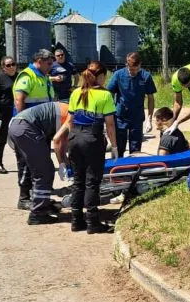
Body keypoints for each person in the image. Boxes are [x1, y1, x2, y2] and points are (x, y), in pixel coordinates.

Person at [53, 61, 118, 234]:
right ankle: (93, 222)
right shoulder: (105, 95)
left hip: (74, 139)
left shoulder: (76, 93)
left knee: (78, 181)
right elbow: (110, 125)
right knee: (92, 182)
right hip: (92, 140)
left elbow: (70, 121)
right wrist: (115, 147)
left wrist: (59, 138)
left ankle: (76, 220)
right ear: (101, 76)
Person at [9, 102, 69, 225]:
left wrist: (65, 162)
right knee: (44, 171)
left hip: (20, 126)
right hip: (25, 128)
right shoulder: (74, 116)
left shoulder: (68, 109)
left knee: (41, 169)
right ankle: (38, 213)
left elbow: (63, 144)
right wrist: (63, 163)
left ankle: (42, 204)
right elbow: (58, 140)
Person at [13, 49, 55, 209]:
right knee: (26, 162)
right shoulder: (27, 76)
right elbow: (19, 99)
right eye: (49, 63)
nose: (51, 66)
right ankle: (24, 198)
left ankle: (37, 196)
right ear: (39, 60)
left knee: (39, 163)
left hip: (42, 128)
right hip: (28, 128)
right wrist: (25, 122)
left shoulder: (43, 77)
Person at [107, 51, 156, 157]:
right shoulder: (118, 75)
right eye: (130, 69)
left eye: (135, 69)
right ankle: (117, 170)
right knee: (118, 147)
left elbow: (151, 99)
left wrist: (149, 119)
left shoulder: (146, 76)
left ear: (139, 65)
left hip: (137, 118)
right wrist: (109, 113)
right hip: (120, 117)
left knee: (135, 150)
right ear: (126, 65)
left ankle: (133, 172)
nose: (132, 72)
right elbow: (109, 94)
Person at [0, 56, 18, 174]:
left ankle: (23, 163)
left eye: (13, 64)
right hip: (2, 112)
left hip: (17, 112)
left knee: (19, 138)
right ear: (3, 67)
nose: (12, 67)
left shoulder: (19, 77)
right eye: (8, 65)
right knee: (1, 139)